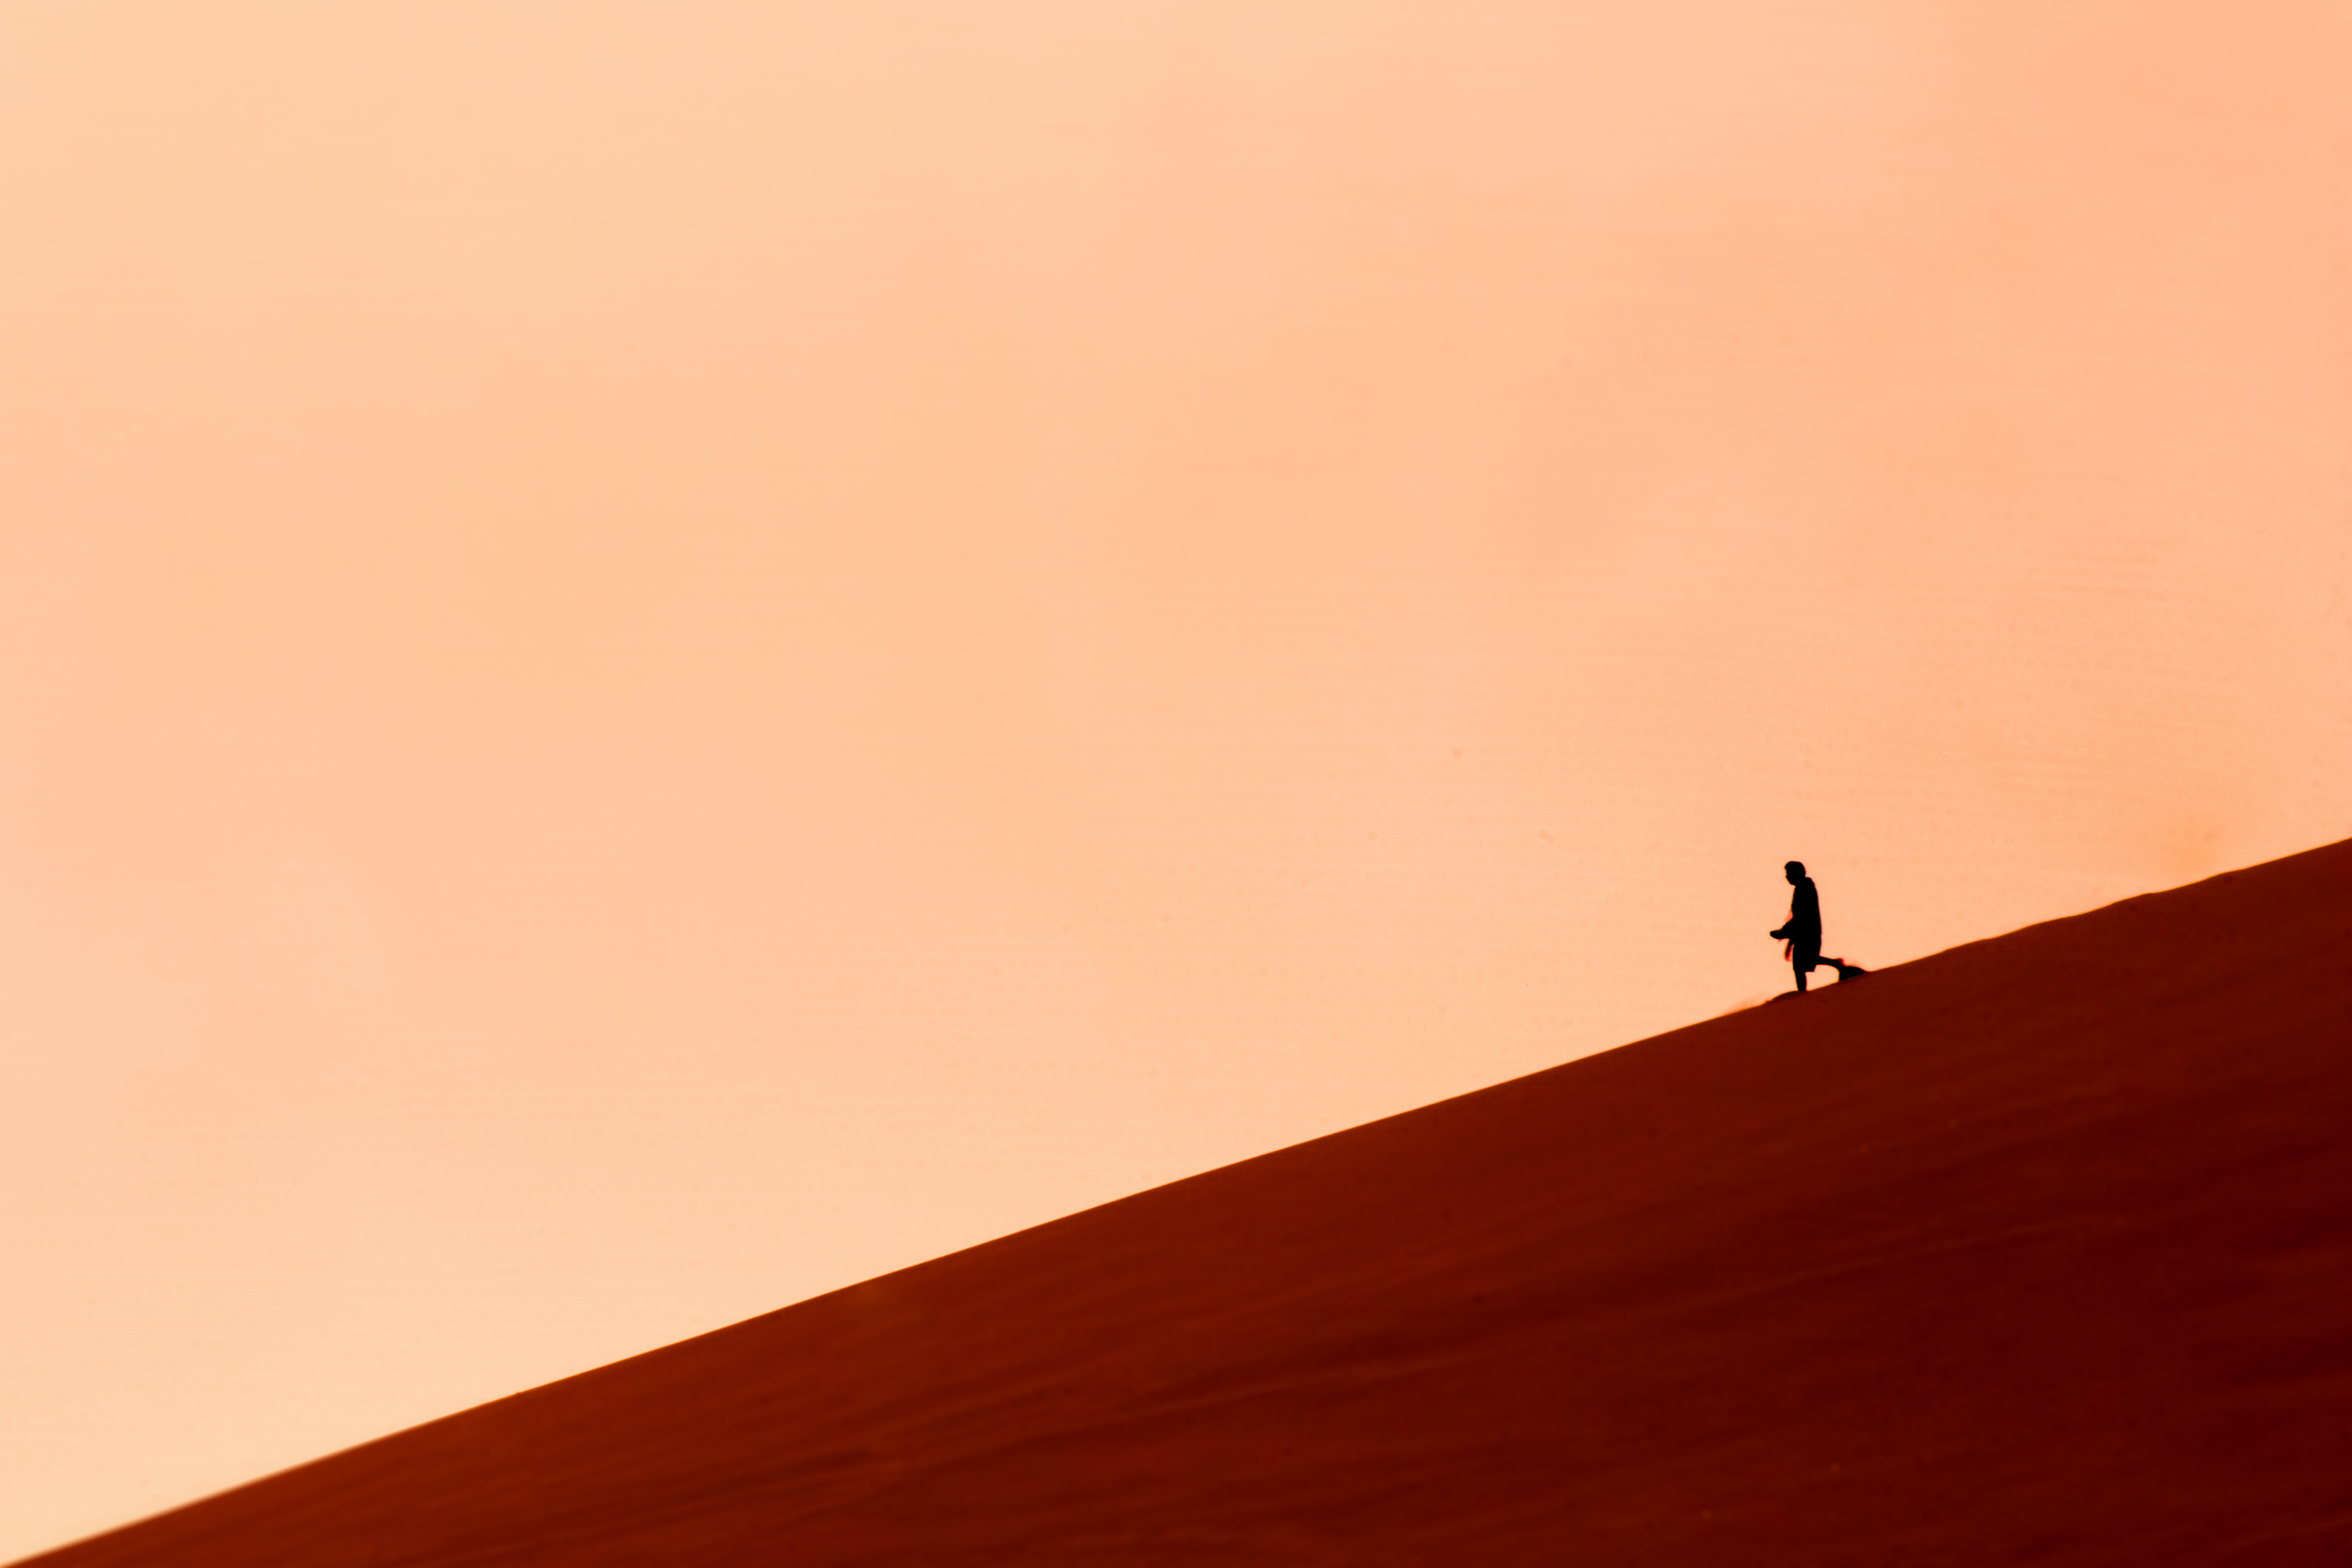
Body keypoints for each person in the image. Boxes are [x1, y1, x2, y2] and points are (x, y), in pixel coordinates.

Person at [1770, 861, 1863, 993]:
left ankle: (1803, 995)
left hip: (1809, 933)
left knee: (1802, 964)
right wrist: (1789, 939)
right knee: (1800, 965)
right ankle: (1805, 991)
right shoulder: (1800, 888)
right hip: (1801, 933)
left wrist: (1785, 932)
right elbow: (1798, 917)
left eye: (1789, 873)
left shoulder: (1805, 887)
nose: (1787, 876)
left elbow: (1803, 915)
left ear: (1797, 873)